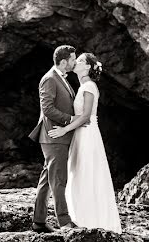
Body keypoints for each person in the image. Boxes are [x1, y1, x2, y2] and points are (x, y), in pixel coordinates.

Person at [49, 53, 122, 232]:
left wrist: (64, 129)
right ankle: (80, 218)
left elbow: (87, 116)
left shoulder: (89, 86)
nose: (76, 63)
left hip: (88, 135)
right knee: (79, 172)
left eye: (80, 61)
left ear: (88, 67)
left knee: (87, 173)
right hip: (80, 135)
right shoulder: (83, 86)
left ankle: (92, 220)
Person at [29, 45, 78, 232]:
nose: (75, 62)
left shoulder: (61, 79)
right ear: (64, 61)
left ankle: (39, 222)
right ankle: (64, 222)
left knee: (46, 179)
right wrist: (70, 120)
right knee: (59, 180)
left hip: (58, 136)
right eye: (73, 59)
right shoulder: (49, 79)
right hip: (53, 136)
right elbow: (47, 109)